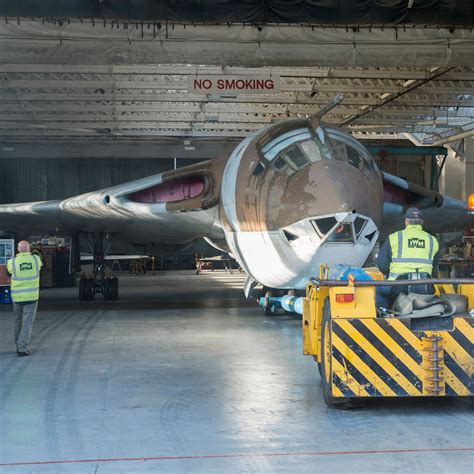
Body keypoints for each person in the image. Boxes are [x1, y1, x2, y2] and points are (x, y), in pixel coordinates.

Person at [376, 208, 439, 308]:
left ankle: (385, 312)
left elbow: (382, 265)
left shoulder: (394, 237)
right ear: (421, 222)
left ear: (406, 221)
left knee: (377, 289)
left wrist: (390, 274)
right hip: (425, 287)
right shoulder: (433, 240)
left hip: (398, 287)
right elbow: (435, 268)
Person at [6, 240, 43, 357]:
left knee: (18, 322)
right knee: (27, 323)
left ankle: (18, 345)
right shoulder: (36, 260)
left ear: (18, 249)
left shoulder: (11, 262)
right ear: (29, 249)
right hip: (31, 298)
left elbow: (8, 275)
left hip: (17, 298)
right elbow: (41, 265)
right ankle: (22, 348)